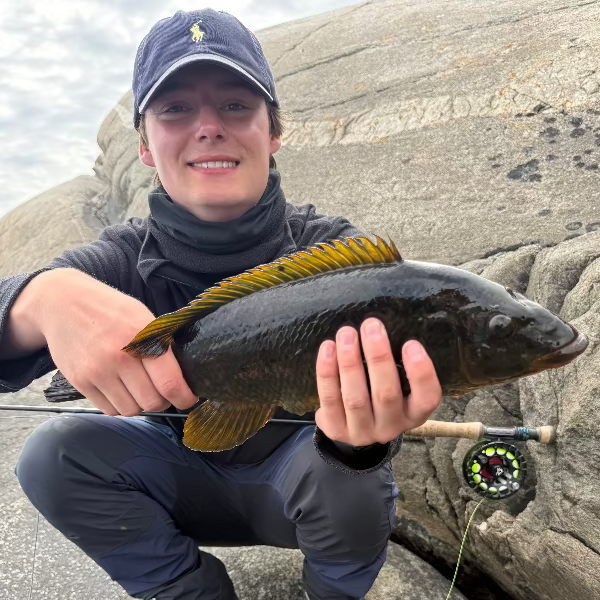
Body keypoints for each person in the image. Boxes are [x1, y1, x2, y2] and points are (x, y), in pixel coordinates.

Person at [1, 9, 442, 600]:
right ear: (146, 148)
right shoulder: (118, 261)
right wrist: (40, 298)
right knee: (53, 454)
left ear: (273, 131)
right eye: (176, 109)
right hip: (175, 482)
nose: (208, 127)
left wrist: (356, 444)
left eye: (236, 105)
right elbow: (27, 307)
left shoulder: (341, 256)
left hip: (299, 491)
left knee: (352, 473)